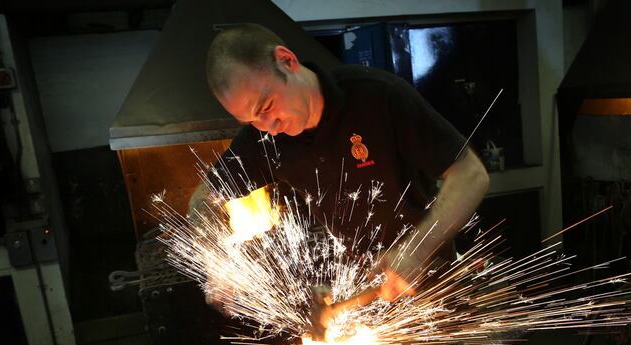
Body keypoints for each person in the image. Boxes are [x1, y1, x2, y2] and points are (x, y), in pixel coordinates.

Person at [191, 23, 490, 304]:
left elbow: (471, 173)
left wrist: (416, 250)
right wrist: (216, 262)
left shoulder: (378, 98)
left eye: (267, 106)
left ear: (287, 61)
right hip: (360, 292)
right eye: (252, 120)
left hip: (430, 279)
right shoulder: (264, 140)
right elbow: (203, 200)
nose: (268, 126)